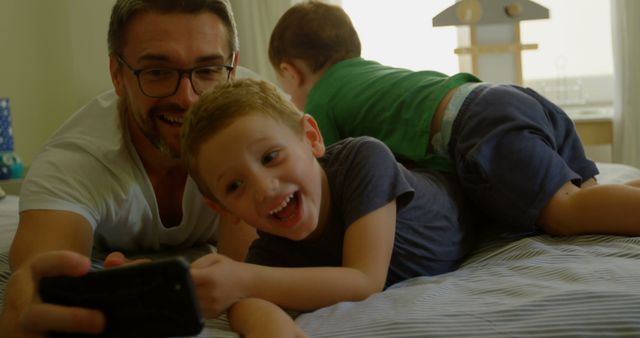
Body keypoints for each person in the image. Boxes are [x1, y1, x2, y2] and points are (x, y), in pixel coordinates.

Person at [267, 1, 640, 238]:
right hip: (507, 99)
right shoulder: (369, 74)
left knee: (564, 212)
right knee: (590, 199)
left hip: (479, 123)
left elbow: (330, 181)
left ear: (289, 73)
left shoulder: (321, 101)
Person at [0, 1, 259, 337]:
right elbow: (39, 282)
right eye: (157, 72)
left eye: (208, 70)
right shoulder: (75, 160)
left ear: (233, 70)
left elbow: (250, 272)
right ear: (117, 75)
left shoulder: (263, 136)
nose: (188, 98)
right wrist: (27, 312)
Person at [182, 78, 478, 334]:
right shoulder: (272, 251)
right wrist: (265, 322)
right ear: (223, 209)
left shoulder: (362, 160)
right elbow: (247, 298)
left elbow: (364, 281)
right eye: (234, 186)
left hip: (465, 192)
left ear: (311, 137)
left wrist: (242, 278)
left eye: (271, 157)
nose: (264, 188)